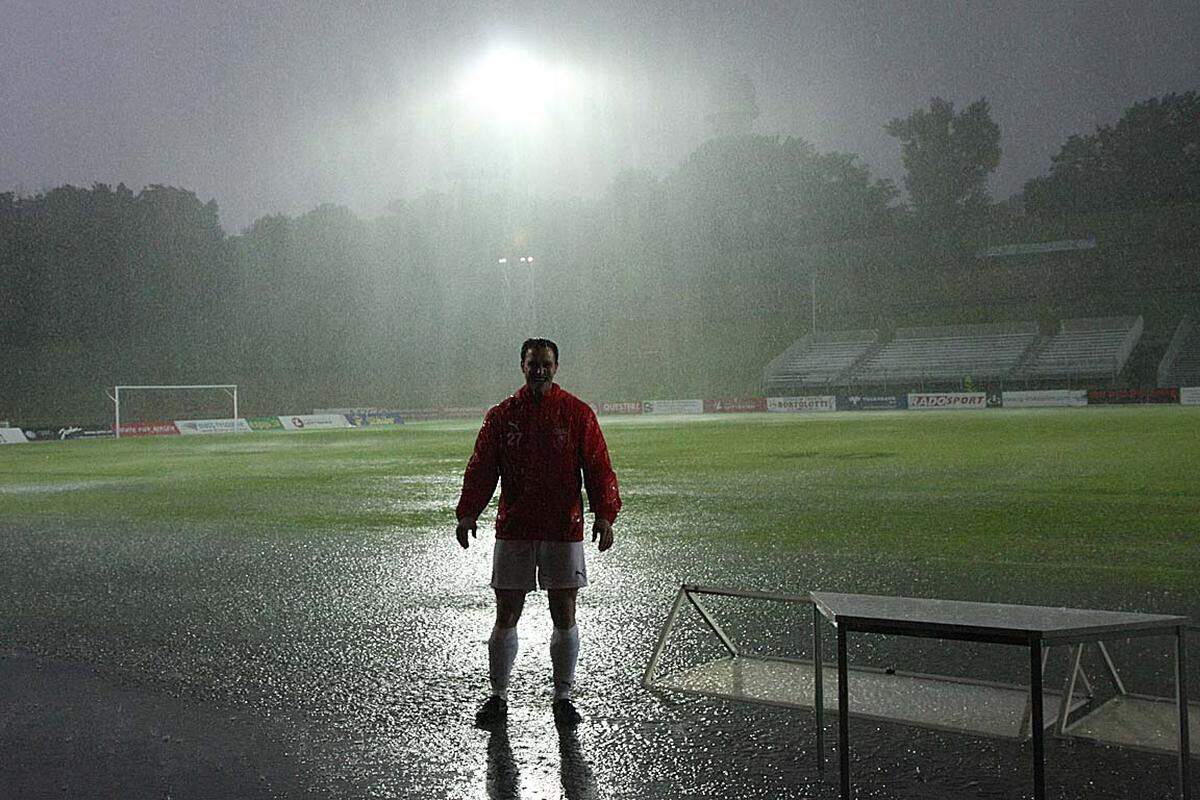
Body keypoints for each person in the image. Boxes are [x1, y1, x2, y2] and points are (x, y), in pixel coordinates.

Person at [456, 338, 621, 728]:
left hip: (564, 528)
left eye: (546, 364)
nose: (540, 370)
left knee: (563, 614)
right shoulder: (502, 416)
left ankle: (563, 696)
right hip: (515, 527)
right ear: (522, 366)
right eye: (533, 363)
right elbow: (481, 468)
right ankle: (498, 696)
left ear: (556, 367)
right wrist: (467, 513)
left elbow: (598, 467)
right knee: (506, 613)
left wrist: (605, 515)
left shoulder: (577, 414)